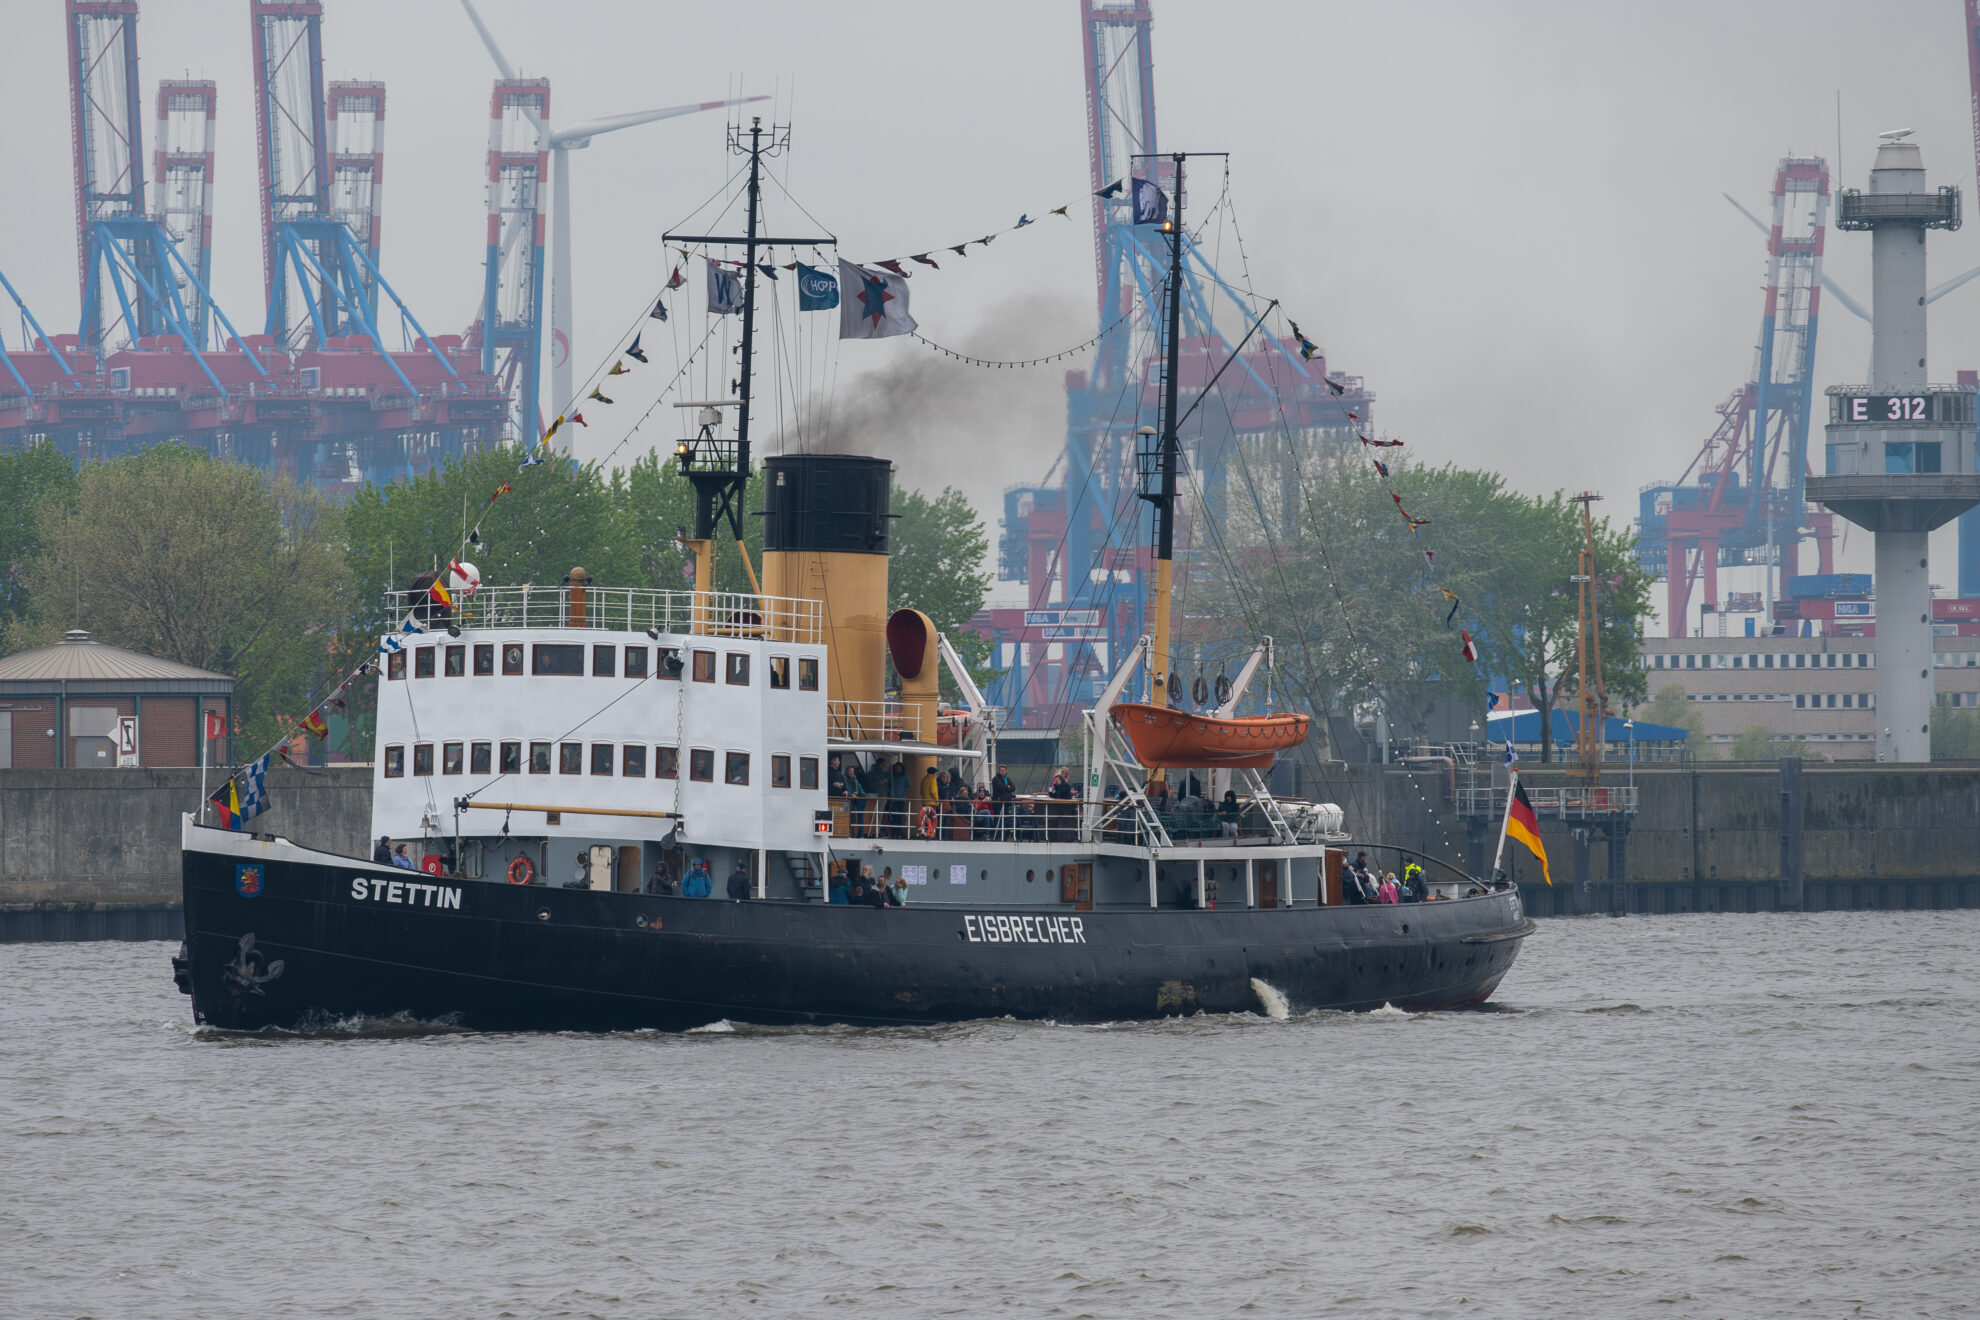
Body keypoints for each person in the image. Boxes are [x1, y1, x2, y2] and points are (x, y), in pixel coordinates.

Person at [990, 764, 1016, 840]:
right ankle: (996, 836)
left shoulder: (1008, 779)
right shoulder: (995, 779)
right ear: (999, 771)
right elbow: (1000, 787)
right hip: (998, 802)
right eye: (1001, 770)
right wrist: (1008, 787)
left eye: (1004, 770)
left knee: (1006, 819)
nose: (1002, 772)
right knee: (998, 819)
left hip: (1007, 802)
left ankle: (1005, 836)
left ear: (1006, 771)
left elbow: (1013, 788)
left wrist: (1008, 787)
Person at [888, 759, 911, 838]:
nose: (897, 769)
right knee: (894, 816)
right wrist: (890, 793)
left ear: (901, 768)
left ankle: (898, 833)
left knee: (899, 816)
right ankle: (894, 833)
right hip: (893, 799)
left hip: (901, 799)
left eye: (899, 767)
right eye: (896, 767)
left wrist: (903, 794)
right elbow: (888, 785)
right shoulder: (891, 776)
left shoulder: (905, 776)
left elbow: (908, 786)